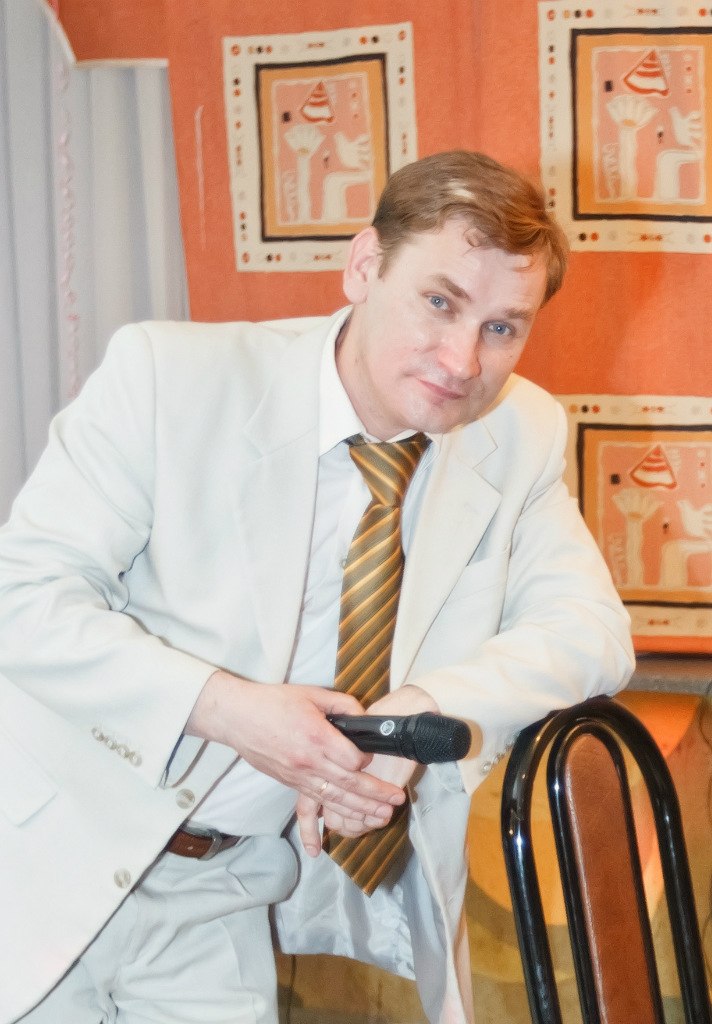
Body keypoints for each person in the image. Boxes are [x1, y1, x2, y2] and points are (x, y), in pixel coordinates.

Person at [0, 150, 633, 1024]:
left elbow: (592, 630)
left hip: (224, 893)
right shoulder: (168, 375)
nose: (462, 358)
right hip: (42, 853)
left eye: (502, 326)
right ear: (364, 265)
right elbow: (22, 600)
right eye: (440, 302)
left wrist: (419, 715)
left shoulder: (519, 430)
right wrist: (229, 711)